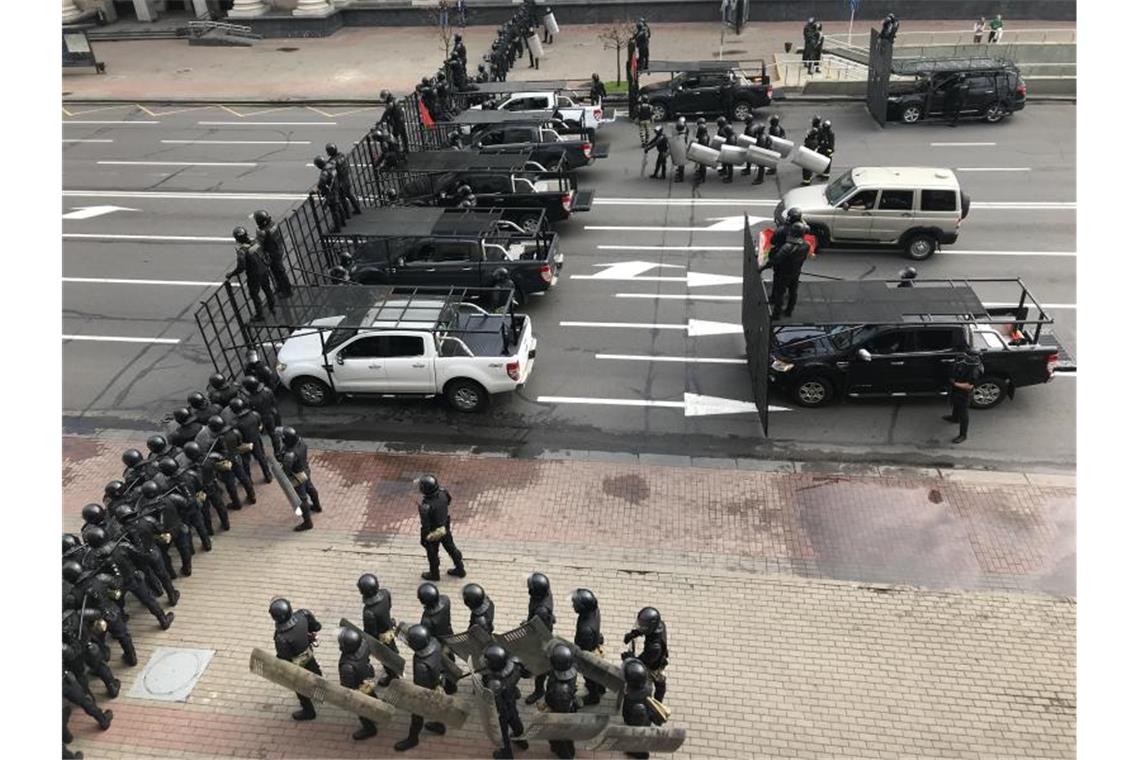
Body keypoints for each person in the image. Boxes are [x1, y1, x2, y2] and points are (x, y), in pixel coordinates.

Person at [394, 625, 448, 751]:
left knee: (417, 714)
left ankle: (413, 739)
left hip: (427, 689)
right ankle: (440, 725)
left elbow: (420, 687)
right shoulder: (435, 644)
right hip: (439, 680)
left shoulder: (421, 665)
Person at [270, 598, 323, 721]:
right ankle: (321, 693)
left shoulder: (281, 637)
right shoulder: (303, 614)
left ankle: (308, 711)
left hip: (296, 664)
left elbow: (284, 657)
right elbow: (316, 626)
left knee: (299, 686)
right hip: (308, 654)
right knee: (316, 673)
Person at [482, 644, 529, 759]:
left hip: (501, 707)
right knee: (515, 719)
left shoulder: (494, 683)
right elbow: (527, 674)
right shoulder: (515, 666)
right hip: (511, 697)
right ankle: (522, 741)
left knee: (502, 731)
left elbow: (492, 700)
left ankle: (506, 755)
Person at [417, 474, 466, 580]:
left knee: (432, 554)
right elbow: (449, 501)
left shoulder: (425, 507)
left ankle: (434, 574)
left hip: (433, 532)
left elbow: (425, 525)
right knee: (451, 548)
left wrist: (425, 538)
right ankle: (460, 569)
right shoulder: (443, 492)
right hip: (444, 526)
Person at [337, 627, 381, 740]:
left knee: (360, 707)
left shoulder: (347, 666)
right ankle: (377, 714)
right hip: (368, 675)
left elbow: (348, 686)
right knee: (372, 696)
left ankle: (369, 729)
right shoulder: (364, 644)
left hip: (359, 686)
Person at [762, 221, 811, 320]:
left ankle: (776, 314)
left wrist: (762, 268)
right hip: (796, 272)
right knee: (793, 292)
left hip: (784, 273)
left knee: (780, 293)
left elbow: (775, 260)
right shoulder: (806, 245)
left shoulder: (787, 247)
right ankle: (789, 311)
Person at [358, 573, 399, 686]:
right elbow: (389, 606)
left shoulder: (368, 612)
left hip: (381, 637)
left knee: (385, 657)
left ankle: (392, 675)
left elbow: (371, 632)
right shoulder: (385, 594)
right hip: (389, 627)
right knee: (392, 648)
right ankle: (395, 661)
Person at [226, 226, 275, 321]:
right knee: (267, 288)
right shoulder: (256, 242)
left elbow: (241, 267)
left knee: (254, 294)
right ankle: (272, 306)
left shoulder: (242, 251)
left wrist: (231, 274)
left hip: (254, 275)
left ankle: (260, 315)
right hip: (264, 269)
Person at [620, 659, 665, 759]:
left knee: (638, 736)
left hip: (638, 721)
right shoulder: (647, 685)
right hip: (644, 715)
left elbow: (637, 724)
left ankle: (640, 753)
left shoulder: (633, 701)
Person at [622, 606, 669, 702]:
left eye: (643, 626)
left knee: (658, 682)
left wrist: (629, 658)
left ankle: (657, 702)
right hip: (654, 656)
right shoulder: (660, 625)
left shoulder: (654, 647)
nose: (641, 627)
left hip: (654, 665)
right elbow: (646, 629)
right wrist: (634, 634)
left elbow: (641, 662)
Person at [523, 572, 555, 704]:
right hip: (542, 625)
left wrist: (527, 627)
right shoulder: (545, 593)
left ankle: (539, 690)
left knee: (540, 663)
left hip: (541, 639)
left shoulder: (541, 610)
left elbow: (538, 630)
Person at [571, 588, 606, 705]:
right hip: (595, 644)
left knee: (589, 677)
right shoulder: (595, 610)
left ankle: (593, 696)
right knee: (598, 673)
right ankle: (601, 688)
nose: (573, 605)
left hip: (588, 654)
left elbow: (583, 650)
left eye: (575, 604)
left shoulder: (585, 629)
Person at [544, 643, 578, 759]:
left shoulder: (561, 690)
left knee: (559, 737)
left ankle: (566, 756)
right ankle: (568, 750)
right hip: (566, 707)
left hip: (560, 714)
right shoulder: (570, 669)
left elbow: (560, 712)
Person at [228, 398, 272, 485]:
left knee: (245, 462)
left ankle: (249, 479)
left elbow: (236, 436)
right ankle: (268, 475)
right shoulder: (254, 414)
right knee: (261, 458)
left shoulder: (234, 423)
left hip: (245, 444)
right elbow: (260, 426)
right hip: (255, 440)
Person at [944, 349, 983, 444]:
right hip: (957, 390)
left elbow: (969, 386)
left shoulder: (975, 370)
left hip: (964, 393)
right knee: (956, 404)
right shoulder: (965, 362)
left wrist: (955, 384)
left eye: (969, 356)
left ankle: (963, 435)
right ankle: (954, 418)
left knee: (963, 413)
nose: (966, 357)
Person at [251, 210, 293, 299]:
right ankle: (281, 287)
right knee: (277, 271)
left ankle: (287, 290)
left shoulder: (262, 232)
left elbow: (260, 243)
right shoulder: (273, 224)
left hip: (272, 253)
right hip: (278, 249)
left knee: (278, 272)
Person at [693, 117, 710, 185]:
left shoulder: (703, 138)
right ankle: (701, 175)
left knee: (703, 166)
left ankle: (702, 178)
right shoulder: (705, 135)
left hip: (703, 152)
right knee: (702, 166)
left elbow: (701, 146)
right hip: (703, 151)